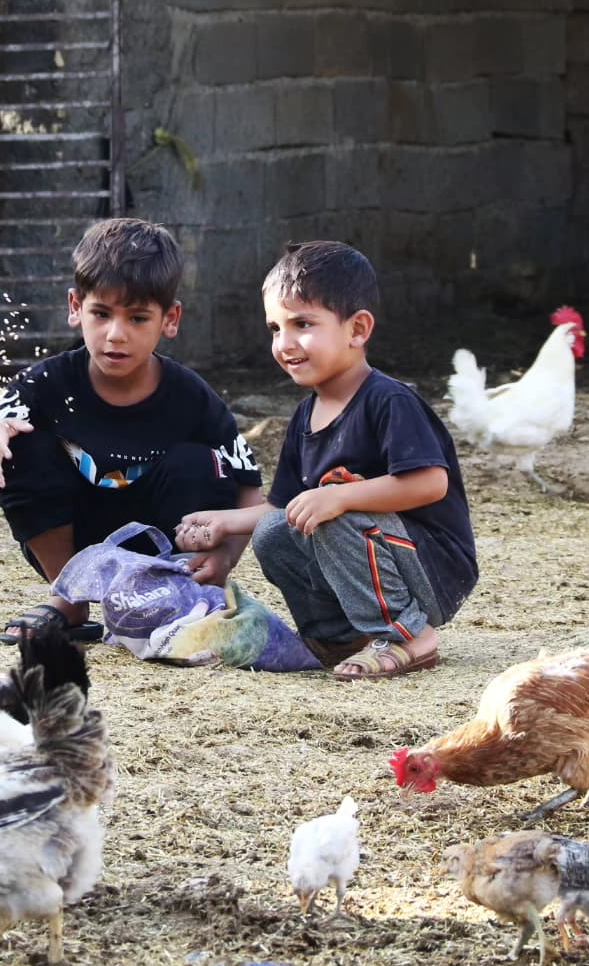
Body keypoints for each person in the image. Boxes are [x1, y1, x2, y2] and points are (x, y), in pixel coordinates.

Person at [0, 218, 265, 644]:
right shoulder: (50, 383)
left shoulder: (191, 397)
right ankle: (70, 597)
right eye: (101, 313)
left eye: (138, 318)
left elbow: (249, 491)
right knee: (21, 442)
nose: (116, 335)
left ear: (169, 319)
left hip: (161, 542)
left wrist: (225, 559)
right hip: (72, 540)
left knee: (198, 462)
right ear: (75, 306)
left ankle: (179, 598)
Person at [175, 241, 477, 681]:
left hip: (432, 569)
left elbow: (430, 483)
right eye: (275, 328)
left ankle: (409, 636)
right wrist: (223, 522)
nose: (285, 343)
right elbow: (285, 508)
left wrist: (340, 498)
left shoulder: (389, 401)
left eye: (302, 323)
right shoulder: (304, 416)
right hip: (375, 557)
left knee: (332, 513)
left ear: (357, 330)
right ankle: (338, 637)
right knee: (275, 531)